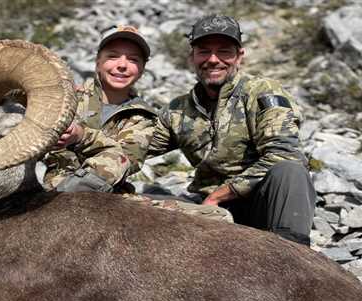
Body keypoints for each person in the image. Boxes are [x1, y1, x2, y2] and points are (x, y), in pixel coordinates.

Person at [148, 14, 316, 245]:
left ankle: (294, 258)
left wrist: (220, 194)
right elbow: (139, 148)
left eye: (224, 51)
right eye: (204, 51)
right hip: (207, 209)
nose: (213, 59)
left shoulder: (262, 92)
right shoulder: (178, 109)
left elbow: (284, 153)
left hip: (258, 206)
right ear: (192, 57)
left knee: (289, 171)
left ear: (239, 57)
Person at [45, 25, 157, 193]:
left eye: (133, 59)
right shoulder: (69, 98)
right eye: (112, 56)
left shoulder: (143, 117)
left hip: (104, 194)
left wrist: (81, 136)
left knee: (119, 159)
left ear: (141, 70)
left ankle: (67, 197)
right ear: (98, 62)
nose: (122, 65)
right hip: (51, 181)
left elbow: (129, 159)